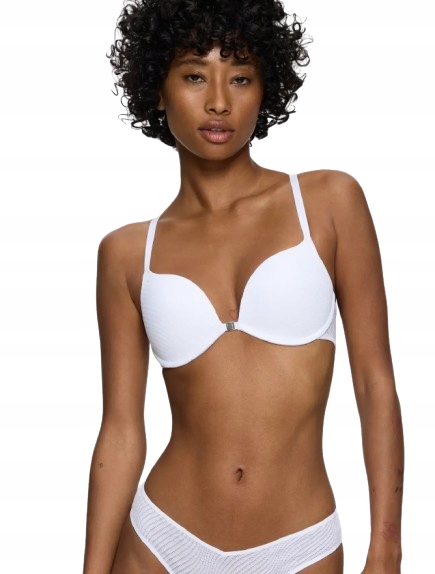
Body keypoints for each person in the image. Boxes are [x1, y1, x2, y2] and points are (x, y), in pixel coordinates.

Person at [83, 0, 404, 572]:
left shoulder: (328, 204)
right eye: (193, 76)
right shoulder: (127, 254)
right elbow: (121, 432)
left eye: (240, 77)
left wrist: (386, 546)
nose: (218, 102)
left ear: (265, 88)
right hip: (160, 541)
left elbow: (374, 384)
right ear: (157, 90)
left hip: (299, 546)